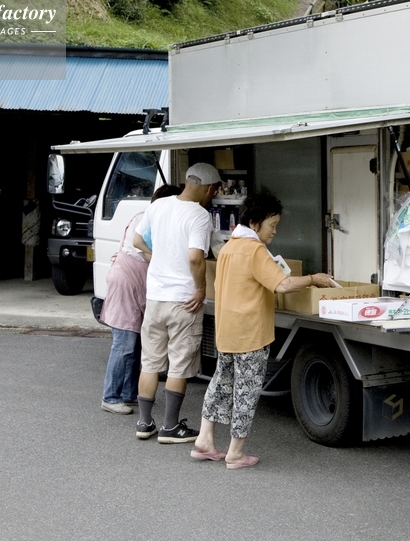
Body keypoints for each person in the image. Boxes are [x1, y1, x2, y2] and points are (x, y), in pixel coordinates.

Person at [191, 192, 336, 468]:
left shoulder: (229, 247)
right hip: (250, 333)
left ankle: (204, 439)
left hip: (226, 330)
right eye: (272, 224)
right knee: (246, 391)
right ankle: (235, 453)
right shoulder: (254, 250)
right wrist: (313, 278)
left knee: (221, 384)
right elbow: (282, 284)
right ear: (255, 222)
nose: (275, 230)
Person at [132, 163, 220, 444]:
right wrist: (200, 288)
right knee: (178, 365)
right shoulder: (199, 215)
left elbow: (137, 239)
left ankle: (144, 423)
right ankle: (170, 427)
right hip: (183, 300)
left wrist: (157, 258)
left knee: (149, 363)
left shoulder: (159, 205)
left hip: (155, 297)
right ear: (209, 188)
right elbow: (195, 257)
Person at [99, 184, 181, 414]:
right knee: (124, 343)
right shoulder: (149, 220)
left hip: (134, 284)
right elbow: (151, 253)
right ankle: (110, 397)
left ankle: (128, 393)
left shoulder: (148, 217)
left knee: (135, 343)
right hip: (127, 284)